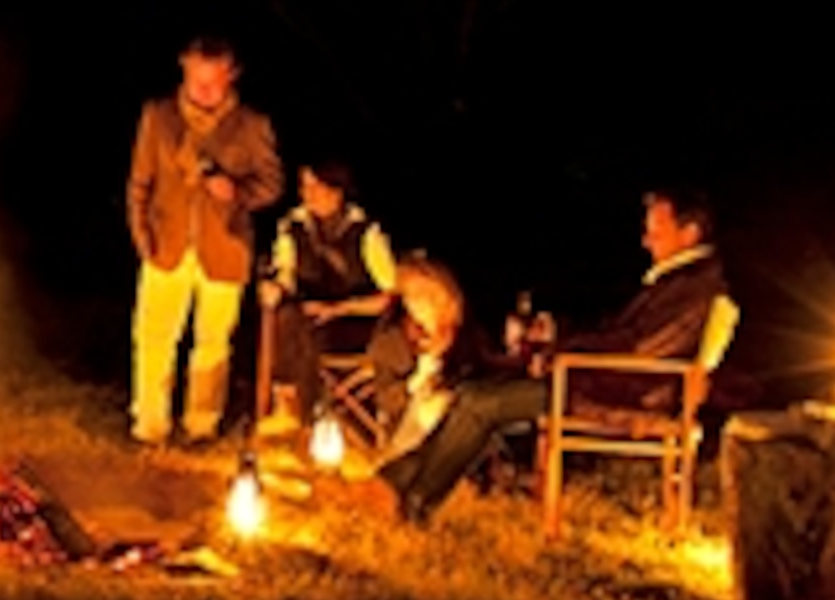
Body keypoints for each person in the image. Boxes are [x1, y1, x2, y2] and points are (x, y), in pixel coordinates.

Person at [377, 185, 728, 525]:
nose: (646, 240)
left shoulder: (692, 288)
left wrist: (562, 350)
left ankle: (413, 503)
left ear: (690, 233)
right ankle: (393, 483)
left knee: (479, 403)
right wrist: (557, 335)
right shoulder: (679, 282)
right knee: (473, 390)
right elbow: (618, 333)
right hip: (605, 381)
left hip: (623, 394)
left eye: (656, 230)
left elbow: (640, 348)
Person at [127, 34, 283, 445]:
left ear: (231, 76)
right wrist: (143, 239)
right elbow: (139, 183)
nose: (204, 91)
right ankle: (150, 426)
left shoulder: (251, 125)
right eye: (197, 81)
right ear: (184, 72)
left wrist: (237, 192)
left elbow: (272, 184)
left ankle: (201, 424)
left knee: (212, 343)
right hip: (167, 246)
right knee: (155, 339)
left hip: (225, 249)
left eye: (213, 82)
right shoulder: (159, 117)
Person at [258, 160, 466, 447]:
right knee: (289, 318)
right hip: (308, 313)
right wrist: (275, 287)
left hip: (356, 320)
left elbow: (390, 293)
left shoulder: (364, 232)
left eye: (317, 187)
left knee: (308, 330)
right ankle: (287, 405)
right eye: (304, 186)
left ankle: (307, 413)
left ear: (337, 191)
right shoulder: (293, 226)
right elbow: (285, 272)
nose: (309, 194)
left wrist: (339, 309)